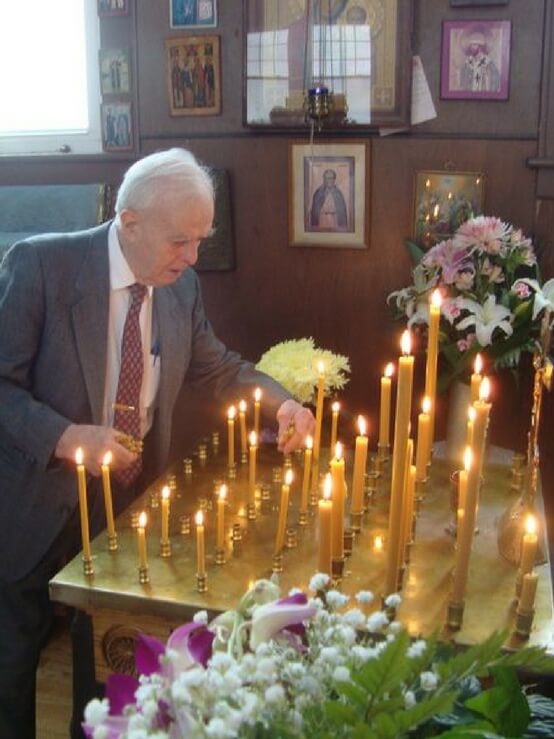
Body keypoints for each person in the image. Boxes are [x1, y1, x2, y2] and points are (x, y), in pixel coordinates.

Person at [0, 148, 315, 739]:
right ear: (130, 223)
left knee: (106, 655)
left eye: (200, 239)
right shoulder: (41, 266)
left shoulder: (180, 287)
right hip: (35, 502)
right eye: (180, 240)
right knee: (11, 663)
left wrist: (285, 403)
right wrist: (66, 435)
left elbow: (218, 367)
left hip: (127, 502)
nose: (193, 256)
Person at [459, 27, 501, 93]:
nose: (471, 47)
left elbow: (494, 86)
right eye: (471, 45)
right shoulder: (466, 65)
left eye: (474, 44)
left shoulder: (490, 65)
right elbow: (463, 86)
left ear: (480, 46)